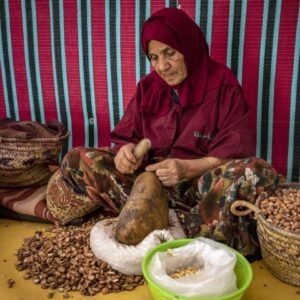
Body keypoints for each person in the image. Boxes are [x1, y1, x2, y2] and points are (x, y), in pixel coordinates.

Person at [46, 7, 280, 256]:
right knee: (78, 159)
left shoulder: (223, 85)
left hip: (199, 189)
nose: (162, 66)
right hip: (144, 186)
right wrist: (125, 154)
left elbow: (235, 151)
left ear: (188, 47)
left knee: (254, 172)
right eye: (154, 57)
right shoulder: (148, 87)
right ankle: (171, 222)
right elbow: (126, 138)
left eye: (170, 53)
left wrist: (188, 168)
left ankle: (161, 222)